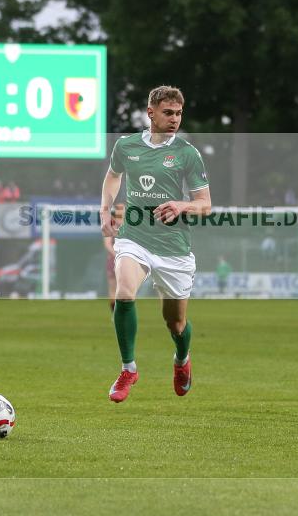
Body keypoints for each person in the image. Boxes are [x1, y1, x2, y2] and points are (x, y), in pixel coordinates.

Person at [99, 85, 211, 403]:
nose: (175, 119)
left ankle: (182, 359)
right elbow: (113, 176)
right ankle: (128, 368)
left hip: (174, 247)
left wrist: (182, 205)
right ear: (151, 113)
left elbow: (205, 203)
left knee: (175, 323)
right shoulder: (126, 146)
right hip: (135, 237)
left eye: (178, 113)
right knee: (123, 291)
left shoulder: (188, 154)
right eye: (168, 113)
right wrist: (106, 207)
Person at [103, 235, 117, 312]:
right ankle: (115, 313)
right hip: (114, 260)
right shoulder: (109, 226)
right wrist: (117, 255)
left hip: (124, 260)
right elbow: (107, 244)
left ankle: (121, 314)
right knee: (113, 289)